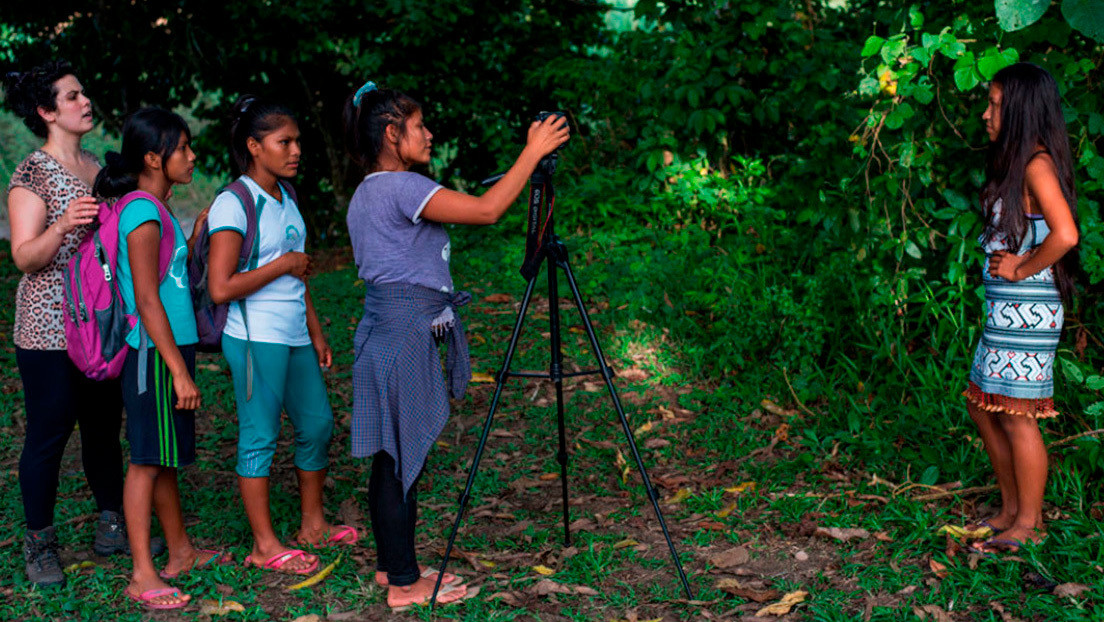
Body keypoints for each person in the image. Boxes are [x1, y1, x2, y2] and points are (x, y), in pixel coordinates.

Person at [342, 80, 569, 610]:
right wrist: (532, 151)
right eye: (419, 126)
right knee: (401, 461)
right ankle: (404, 584)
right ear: (392, 134)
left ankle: (392, 566)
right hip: (403, 333)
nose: (428, 134)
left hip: (383, 329)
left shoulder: (366, 192)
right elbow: (488, 210)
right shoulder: (401, 187)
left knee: (392, 456)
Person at [4, 60, 162, 588]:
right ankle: (40, 543)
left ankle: (112, 525)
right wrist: (63, 225)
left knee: (102, 427)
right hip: (49, 327)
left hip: (99, 324)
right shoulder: (31, 174)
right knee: (49, 434)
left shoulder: (97, 165)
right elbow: (24, 257)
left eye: (83, 92)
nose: (84, 101)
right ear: (47, 112)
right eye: (71, 96)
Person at [94, 107, 227, 609]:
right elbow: (147, 299)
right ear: (153, 157)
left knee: (162, 457)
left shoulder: (157, 209)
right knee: (145, 463)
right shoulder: (142, 212)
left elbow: (165, 281)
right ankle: (142, 574)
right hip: (153, 355)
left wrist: (193, 239)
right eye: (183, 148)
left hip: (168, 348)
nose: (192, 157)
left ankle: (181, 552)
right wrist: (177, 371)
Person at [204, 96, 342, 576]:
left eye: (297, 141)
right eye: (284, 142)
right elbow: (221, 287)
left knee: (318, 424)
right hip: (253, 336)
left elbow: (298, 275)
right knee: (260, 435)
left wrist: (315, 331)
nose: (296, 150)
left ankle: (313, 525)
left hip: (294, 333)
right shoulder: (233, 202)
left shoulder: (288, 196)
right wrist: (283, 263)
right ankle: (264, 545)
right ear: (254, 146)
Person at [964, 63, 1079, 554]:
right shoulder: (1017, 162)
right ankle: (1010, 510)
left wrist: (1019, 269)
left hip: (1028, 311)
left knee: (1016, 414)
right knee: (982, 404)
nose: (986, 114)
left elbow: (1066, 234)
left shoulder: (1036, 165)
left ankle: (1030, 524)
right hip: (1005, 313)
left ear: (1020, 112)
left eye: (995, 105)